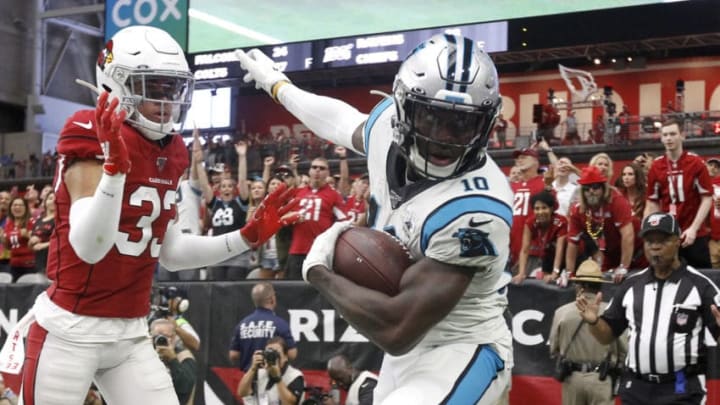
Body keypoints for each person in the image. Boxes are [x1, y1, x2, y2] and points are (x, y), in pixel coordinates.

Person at [0, 26, 298, 404]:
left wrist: (244, 237)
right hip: (70, 330)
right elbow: (90, 248)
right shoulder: (89, 129)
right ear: (114, 85)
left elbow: (171, 251)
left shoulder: (173, 148)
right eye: (152, 88)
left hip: (130, 333)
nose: (165, 102)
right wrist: (113, 173)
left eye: (172, 90)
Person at [238, 33, 513, 404]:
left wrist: (319, 273)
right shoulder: (388, 129)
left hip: (462, 345)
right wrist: (278, 85)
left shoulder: (477, 210)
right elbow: (338, 119)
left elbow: (397, 327)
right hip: (407, 352)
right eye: (432, 117)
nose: (445, 139)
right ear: (403, 106)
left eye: (462, 124)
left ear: (486, 124)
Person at [577, 212, 720, 405]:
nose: (654, 247)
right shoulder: (631, 285)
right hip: (637, 387)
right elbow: (606, 335)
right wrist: (594, 322)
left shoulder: (701, 286)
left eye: (662, 240)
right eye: (649, 241)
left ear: (678, 241)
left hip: (680, 385)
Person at [549, 259, 626, 405]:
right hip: (602, 379)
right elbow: (624, 349)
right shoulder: (612, 312)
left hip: (573, 379)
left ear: (579, 286)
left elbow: (554, 348)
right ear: (600, 286)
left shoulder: (562, 313)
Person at [644, 117, 712, 269]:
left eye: (673, 134)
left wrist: (694, 228)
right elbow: (652, 201)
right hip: (668, 234)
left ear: (682, 135)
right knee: (669, 278)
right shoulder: (656, 166)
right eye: (665, 135)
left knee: (701, 276)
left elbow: (707, 198)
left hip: (695, 234)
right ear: (661, 138)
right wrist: (652, 230)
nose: (669, 138)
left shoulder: (696, 163)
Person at [565, 166, 637, 284]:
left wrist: (624, 266)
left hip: (635, 252)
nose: (591, 191)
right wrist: (569, 272)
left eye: (595, 187)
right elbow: (572, 242)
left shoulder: (616, 201)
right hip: (609, 253)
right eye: (587, 188)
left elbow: (628, 235)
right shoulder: (578, 210)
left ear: (603, 188)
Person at [285, 156, 348, 280]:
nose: (317, 170)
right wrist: (291, 217)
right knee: (293, 291)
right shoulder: (298, 192)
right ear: (309, 171)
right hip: (297, 250)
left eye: (322, 168)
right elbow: (283, 217)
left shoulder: (334, 195)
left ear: (327, 173)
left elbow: (345, 222)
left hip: (320, 253)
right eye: (314, 167)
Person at [229, 282, 298, 371]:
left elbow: (233, 355)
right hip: (272, 377)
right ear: (272, 299)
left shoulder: (242, 324)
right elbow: (292, 354)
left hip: (249, 378)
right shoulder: (280, 324)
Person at [512, 190, 567, 285]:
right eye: (537, 208)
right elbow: (525, 250)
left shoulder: (561, 222)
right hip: (547, 256)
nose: (540, 212)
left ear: (551, 208)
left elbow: (560, 250)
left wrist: (555, 273)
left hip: (565, 258)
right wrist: (521, 273)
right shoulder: (530, 222)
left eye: (544, 208)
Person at [236, 336, 305, 405]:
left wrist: (277, 378)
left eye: (276, 354)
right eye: (268, 354)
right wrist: (252, 368)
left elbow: (289, 403)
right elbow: (242, 393)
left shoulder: (295, 376)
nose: (272, 357)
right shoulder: (259, 372)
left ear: (285, 357)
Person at [150, 319, 197, 405]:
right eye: (157, 336)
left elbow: (184, 388)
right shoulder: (145, 357)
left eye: (166, 336)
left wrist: (172, 360)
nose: (161, 339)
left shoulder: (185, 357)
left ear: (174, 337)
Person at [28, 191, 56, 275]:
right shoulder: (39, 220)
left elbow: (62, 240)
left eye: (56, 199)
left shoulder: (60, 219)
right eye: (50, 198)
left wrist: (44, 245)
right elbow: (31, 246)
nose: (53, 201)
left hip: (52, 260)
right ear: (45, 201)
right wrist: (31, 242)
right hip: (38, 261)